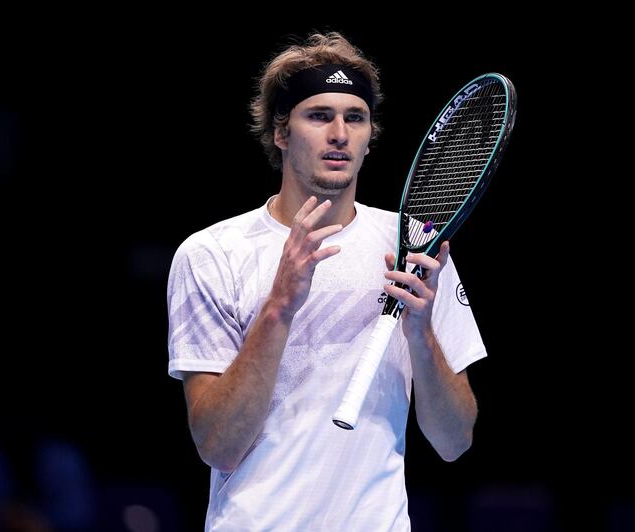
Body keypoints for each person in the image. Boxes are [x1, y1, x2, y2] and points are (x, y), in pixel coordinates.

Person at [166, 31, 486, 531]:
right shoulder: (211, 254)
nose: (340, 133)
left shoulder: (416, 243)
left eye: (354, 118)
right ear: (280, 132)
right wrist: (279, 306)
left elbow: (454, 442)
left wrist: (421, 333)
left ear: (368, 135)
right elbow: (219, 446)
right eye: (319, 116)